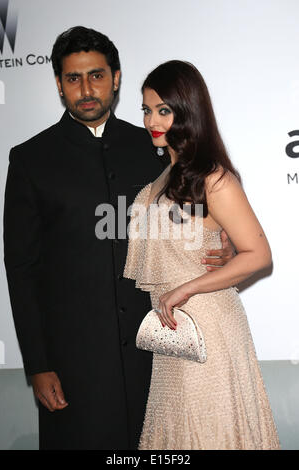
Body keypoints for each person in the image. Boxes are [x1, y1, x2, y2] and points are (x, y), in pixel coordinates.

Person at [3, 28, 233, 450]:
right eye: (73, 78)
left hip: (157, 351)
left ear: (116, 78)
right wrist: (38, 364)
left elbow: (199, 210)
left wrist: (225, 245)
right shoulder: (31, 159)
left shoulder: (153, 146)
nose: (86, 89)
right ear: (58, 83)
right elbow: (21, 271)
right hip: (74, 362)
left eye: (96, 75)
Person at [123, 60, 281, 450]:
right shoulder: (158, 180)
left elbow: (259, 254)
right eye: (146, 110)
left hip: (209, 326)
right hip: (172, 334)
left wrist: (185, 289)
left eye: (163, 109)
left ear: (187, 110)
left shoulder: (213, 178)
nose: (151, 120)